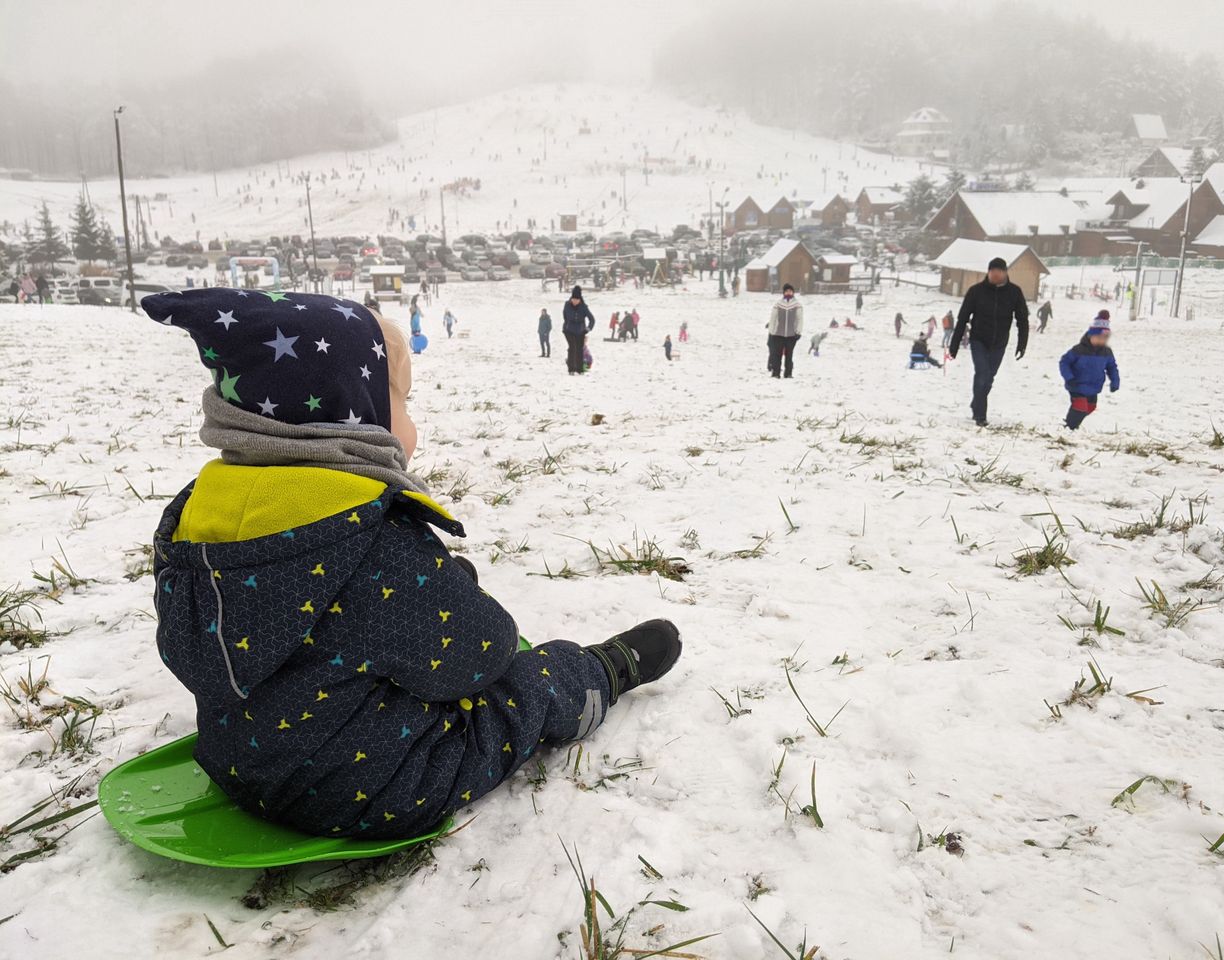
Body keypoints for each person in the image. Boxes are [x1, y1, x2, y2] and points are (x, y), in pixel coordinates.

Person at [138, 287, 682, 841]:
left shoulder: (198, 515)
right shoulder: (369, 535)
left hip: (238, 762)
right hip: (369, 790)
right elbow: (482, 656)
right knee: (519, 690)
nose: (411, 419)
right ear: (357, 407)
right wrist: (454, 604)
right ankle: (604, 673)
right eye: (403, 400)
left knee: (389, 623)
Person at [949, 256, 1029, 427]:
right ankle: (980, 415)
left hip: (999, 342)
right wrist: (954, 344)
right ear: (988, 272)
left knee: (989, 378)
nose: (995, 275)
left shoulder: (1014, 292)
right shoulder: (976, 291)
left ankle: (976, 402)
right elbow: (963, 318)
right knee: (981, 374)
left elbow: (1022, 319)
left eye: (999, 271)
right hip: (978, 339)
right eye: (992, 271)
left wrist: (1022, 343)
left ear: (1005, 273)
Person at [1059, 311, 1120, 431]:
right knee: (1080, 406)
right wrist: (1069, 377)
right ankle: (1070, 427)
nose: (1100, 341)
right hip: (1077, 385)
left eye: (1104, 339)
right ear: (1090, 336)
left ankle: (1074, 423)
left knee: (1090, 407)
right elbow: (1064, 362)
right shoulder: (1078, 350)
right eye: (1098, 338)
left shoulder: (1106, 352)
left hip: (1094, 387)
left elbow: (1112, 367)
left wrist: (1115, 381)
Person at [766, 283, 803, 379]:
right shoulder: (778, 304)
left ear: (793, 292)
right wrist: (771, 332)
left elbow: (800, 319)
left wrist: (798, 332)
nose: (788, 292)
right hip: (778, 334)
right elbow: (773, 318)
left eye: (790, 291)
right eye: (787, 291)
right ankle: (776, 373)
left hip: (791, 335)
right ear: (784, 292)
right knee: (777, 355)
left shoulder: (797, 305)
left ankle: (788, 373)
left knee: (789, 355)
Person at [562, 285, 595, 375]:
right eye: (573, 299)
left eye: (577, 300)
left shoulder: (584, 307)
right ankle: (571, 369)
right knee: (572, 348)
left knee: (579, 349)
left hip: (580, 330)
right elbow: (564, 315)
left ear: (580, 299)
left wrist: (588, 328)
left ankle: (579, 369)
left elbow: (592, 319)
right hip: (568, 330)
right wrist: (567, 324)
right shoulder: (567, 305)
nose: (575, 301)